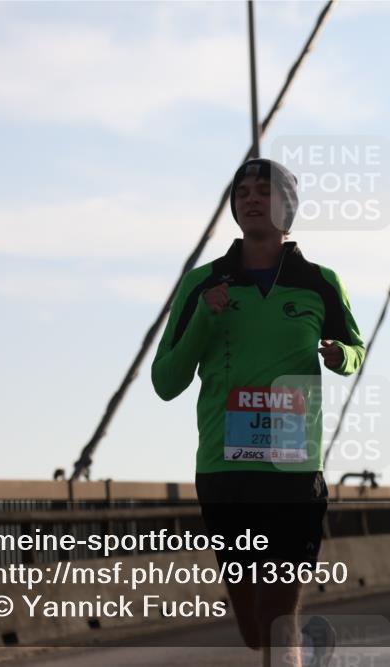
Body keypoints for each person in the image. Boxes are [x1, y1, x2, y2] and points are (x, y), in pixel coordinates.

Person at [151, 157, 365, 666]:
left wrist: (340, 357)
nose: (250, 197)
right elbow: (165, 382)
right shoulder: (203, 284)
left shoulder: (319, 282)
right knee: (252, 622)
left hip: (293, 465)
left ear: (288, 205)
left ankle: (291, 650)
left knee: (276, 606)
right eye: (241, 190)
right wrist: (205, 317)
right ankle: (307, 649)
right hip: (225, 468)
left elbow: (355, 349)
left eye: (263, 189)